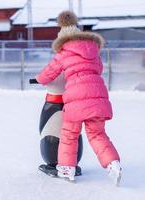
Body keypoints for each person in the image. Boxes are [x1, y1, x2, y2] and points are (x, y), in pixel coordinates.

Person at [35, 11, 121, 185]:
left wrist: (38, 79)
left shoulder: (65, 52)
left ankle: (67, 168)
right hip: (99, 98)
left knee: (69, 133)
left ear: (63, 39)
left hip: (76, 100)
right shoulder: (93, 52)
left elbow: (48, 73)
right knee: (97, 134)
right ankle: (113, 163)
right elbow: (98, 70)